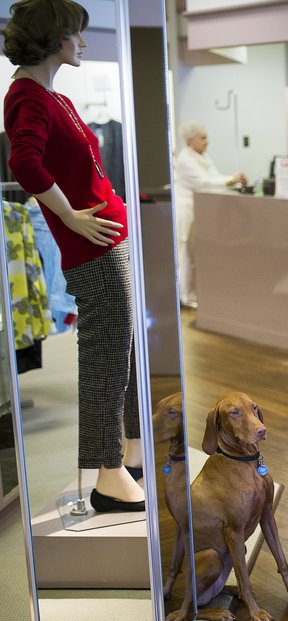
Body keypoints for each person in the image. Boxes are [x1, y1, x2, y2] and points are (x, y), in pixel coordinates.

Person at [3, 0, 144, 510]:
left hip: (106, 237)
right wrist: (69, 215)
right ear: (52, 38)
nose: (82, 42)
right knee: (106, 353)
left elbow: (76, 165)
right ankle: (107, 471)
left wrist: (105, 201)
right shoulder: (26, 96)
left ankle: (130, 448)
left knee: (123, 346)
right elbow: (24, 163)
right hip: (91, 246)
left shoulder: (52, 95)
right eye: (75, 34)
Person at [172, 121, 247, 308]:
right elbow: (204, 183)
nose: (207, 141)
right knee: (186, 255)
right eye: (203, 138)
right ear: (191, 140)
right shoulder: (185, 159)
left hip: (199, 212)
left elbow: (215, 178)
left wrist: (235, 182)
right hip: (186, 212)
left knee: (195, 255)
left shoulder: (203, 157)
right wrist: (231, 180)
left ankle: (194, 292)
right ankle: (185, 295)